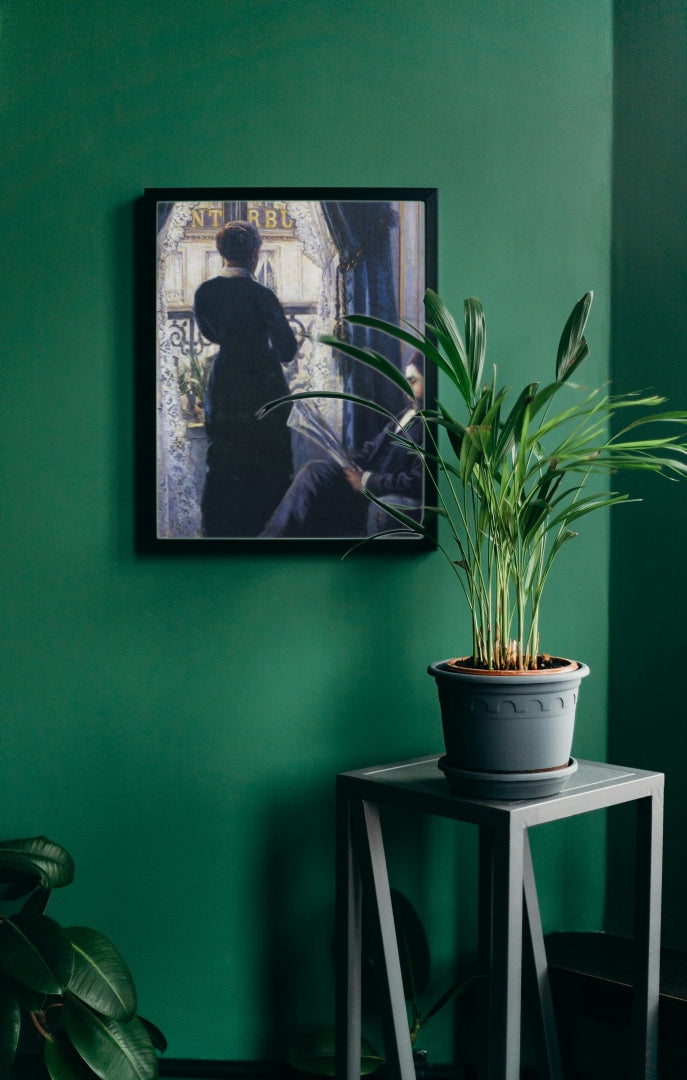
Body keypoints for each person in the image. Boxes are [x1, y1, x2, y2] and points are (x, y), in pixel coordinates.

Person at [194, 220, 298, 537]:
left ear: (221, 252)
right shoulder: (263, 295)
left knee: (226, 458)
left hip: (225, 383)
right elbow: (287, 350)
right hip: (264, 386)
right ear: (254, 254)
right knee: (268, 462)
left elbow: (209, 334)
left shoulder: (206, 292)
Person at [260, 356, 425, 538]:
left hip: (374, 490)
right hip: (362, 478)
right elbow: (372, 449)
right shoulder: (405, 413)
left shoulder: (430, 426)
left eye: (413, 381)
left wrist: (365, 480)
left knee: (314, 478)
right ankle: (271, 539)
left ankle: (269, 541)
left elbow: (417, 480)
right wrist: (347, 461)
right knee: (315, 471)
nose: (406, 387)